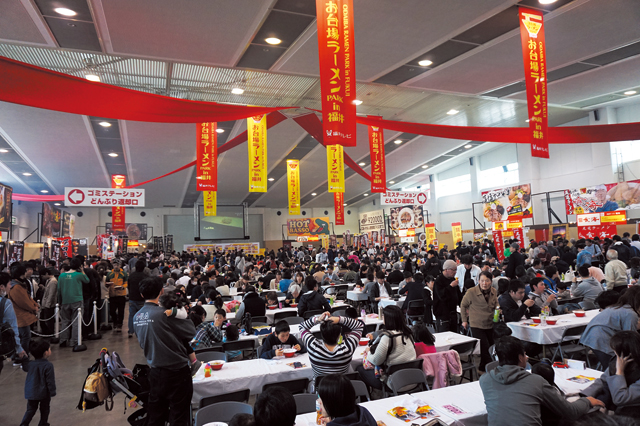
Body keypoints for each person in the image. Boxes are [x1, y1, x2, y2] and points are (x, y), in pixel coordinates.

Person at [479, 336, 603, 426]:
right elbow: (570, 412)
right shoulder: (536, 381)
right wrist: (586, 400)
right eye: (525, 354)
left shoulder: (484, 380)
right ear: (520, 357)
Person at [134, 276, 196, 426]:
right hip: (177, 372)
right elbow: (190, 332)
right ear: (161, 291)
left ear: (142, 295)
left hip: (155, 372)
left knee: (156, 415)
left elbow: (143, 344)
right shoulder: (165, 314)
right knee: (179, 415)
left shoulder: (136, 317)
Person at [356, 305, 416, 391]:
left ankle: (368, 400)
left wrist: (368, 352)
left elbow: (376, 360)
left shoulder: (388, 337)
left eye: (384, 316)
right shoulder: (408, 334)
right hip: (413, 379)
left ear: (388, 319)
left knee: (360, 369)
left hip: (395, 383)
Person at [581, 330, 640, 418]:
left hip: (632, 414)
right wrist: (584, 396)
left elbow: (620, 398)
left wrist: (619, 372)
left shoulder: (625, 366)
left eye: (615, 351)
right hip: (614, 407)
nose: (614, 354)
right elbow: (603, 380)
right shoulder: (620, 361)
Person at [580, 286, 640, 368]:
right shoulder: (630, 313)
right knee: (615, 366)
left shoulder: (620, 307)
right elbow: (630, 338)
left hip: (593, 336)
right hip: (600, 338)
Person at [300, 311, 363, 382]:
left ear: (321, 334)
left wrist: (318, 319)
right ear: (339, 335)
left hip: (321, 390)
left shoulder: (313, 347)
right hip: (341, 389)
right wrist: (340, 319)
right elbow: (359, 326)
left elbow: (302, 326)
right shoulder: (347, 349)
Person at [460, 270, 499, 372]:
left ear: (491, 281)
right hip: (476, 324)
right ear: (478, 280)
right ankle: (493, 369)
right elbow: (463, 305)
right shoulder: (471, 292)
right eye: (482, 280)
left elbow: (496, 305)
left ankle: (482, 367)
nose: (484, 283)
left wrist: (498, 309)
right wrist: (464, 320)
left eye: (487, 281)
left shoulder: (493, 291)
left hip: (490, 323)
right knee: (485, 347)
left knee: (491, 346)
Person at [7, 265, 39, 363]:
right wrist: (34, 308)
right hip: (21, 317)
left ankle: (18, 356)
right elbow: (24, 302)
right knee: (24, 337)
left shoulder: (16, 285)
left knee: (21, 337)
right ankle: (21, 357)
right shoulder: (16, 287)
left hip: (19, 316)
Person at [20, 339, 55, 426]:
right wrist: (52, 391)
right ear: (46, 353)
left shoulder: (30, 364)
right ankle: (43, 423)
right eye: (49, 349)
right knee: (45, 409)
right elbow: (50, 381)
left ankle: (24, 424)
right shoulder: (48, 365)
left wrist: (24, 359)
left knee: (31, 409)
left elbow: (25, 368)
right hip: (44, 393)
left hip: (31, 392)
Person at [57, 257, 90, 348]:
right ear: (79, 266)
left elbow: (59, 290)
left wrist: (60, 301)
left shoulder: (61, 276)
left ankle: (63, 340)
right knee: (76, 322)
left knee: (65, 321)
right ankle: (74, 341)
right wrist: (82, 270)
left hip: (65, 301)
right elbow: (87, 280)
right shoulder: (79, 275)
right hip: (77, 300)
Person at [0, 273, 27, 374]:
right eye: (9, 284)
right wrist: (19, 348)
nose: (10, 287)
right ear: (1, 287)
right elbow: (12, 328)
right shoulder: (5, 303)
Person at [433, 260, 462, 332]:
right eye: (453, 270)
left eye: (456, 270)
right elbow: (441, 296)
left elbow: (458, 295)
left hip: (453, 312)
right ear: (446, 270)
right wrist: (451, 286)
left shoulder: (452, 280)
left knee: (455, 335)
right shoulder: (438, 281)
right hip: (442, 314)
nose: (455, 272)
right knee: (444, 335)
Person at [106, 261, 128, 332]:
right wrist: (107, 284)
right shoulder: (109, 274)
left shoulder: (123, 274)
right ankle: (115, 321)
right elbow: (106, 283)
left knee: (121, 311)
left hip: (121, 295)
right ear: (112, 265)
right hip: (112, 295)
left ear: (120, 265)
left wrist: (122, 287)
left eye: (118, 264)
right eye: (115, 264)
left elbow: (126, 283)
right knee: (112, 311)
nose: (116, 266)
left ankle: (119, 324)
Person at [127, 259, 147, 338]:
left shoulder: (131, 276)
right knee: (142, 316)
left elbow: (128, 286)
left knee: (131, 315)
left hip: (132, 297)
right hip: (142, 299)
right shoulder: (145, 277)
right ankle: (141, 332)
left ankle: (130, 331)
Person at [38, 268, 57, 338]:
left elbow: (51, 294)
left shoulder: (53, 281)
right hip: (45, 303)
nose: (43, 278)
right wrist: (44, 288)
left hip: (48, 305)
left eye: (43, 276)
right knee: (43, 319)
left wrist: (47, 305)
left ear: (46, 274)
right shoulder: (48, 281)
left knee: (48, 321)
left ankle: (49, 333)